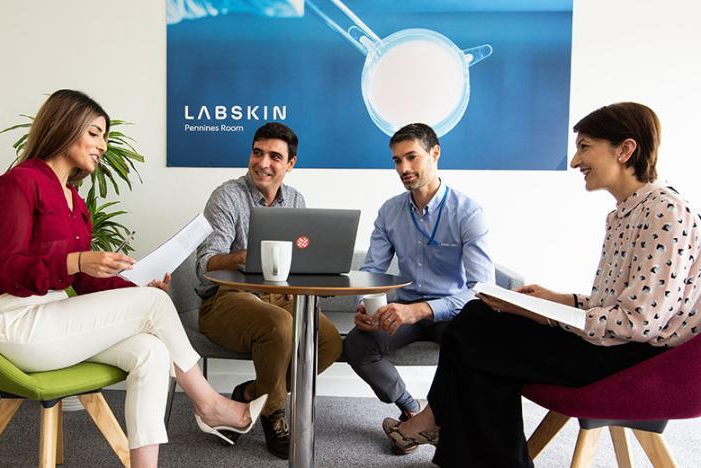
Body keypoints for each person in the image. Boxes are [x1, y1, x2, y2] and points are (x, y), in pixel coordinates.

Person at [382, 102, 701, 467]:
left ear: (625, 150)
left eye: (585, 147)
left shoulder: (665, 212)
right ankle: (447, 427)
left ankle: (436, 417)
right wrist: (558, 299)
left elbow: (640, 324)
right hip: (612, 343)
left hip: (638, 364)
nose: (575, 161)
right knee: (477, 332)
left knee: (475, 334)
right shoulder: (625, 212)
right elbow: (615, 304)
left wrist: (547, 317)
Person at [0, 89, 267, 468]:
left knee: (152, 351)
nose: (102, 145)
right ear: (66, 126)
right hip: (14, 323)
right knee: (153, 309)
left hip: (54, 318)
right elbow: (3, 270)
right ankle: (210, 404)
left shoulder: (75, 201)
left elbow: (86, 285)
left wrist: (136, 289)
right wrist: (75, 261)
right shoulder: (18, 184)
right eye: (95, 133)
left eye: (105, 136)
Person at [195, 122, 342, 459]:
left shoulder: (295, 200)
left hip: (280, 297)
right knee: (280, 325)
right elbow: (204, 264)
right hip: (226, 298)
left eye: (275, 156)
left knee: (329, 341)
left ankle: (251, 393)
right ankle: (274, 412)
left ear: (290, 164)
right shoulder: (227, 196)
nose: (263, 163)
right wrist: (245, 257)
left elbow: (299, 260)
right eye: (257, 153)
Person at [343, 123, 494, 437]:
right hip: (403, 309)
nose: (404, 168)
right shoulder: (389, 212)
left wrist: (422, 310)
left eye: (411, 157)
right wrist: (365, 307)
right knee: (357, 345)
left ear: (435, 153)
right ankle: (412, 411)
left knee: (473, 340)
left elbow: (482, 290)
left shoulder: (468, 213)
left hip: (451, 310)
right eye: (397, 160)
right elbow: (372, 270)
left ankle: (438, 421)